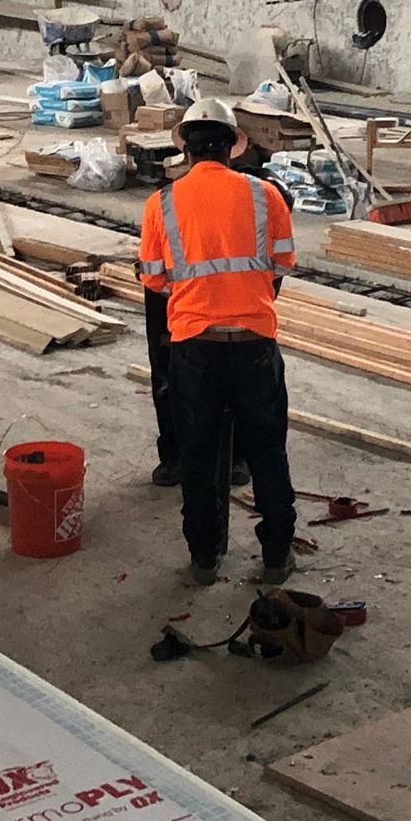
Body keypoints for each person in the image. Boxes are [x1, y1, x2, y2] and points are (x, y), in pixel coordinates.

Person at [138, 98, 300, 585]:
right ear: (233, 147)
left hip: (195, 351)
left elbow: (153, 279)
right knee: (268, 455)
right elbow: (282, 264)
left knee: (199, 457)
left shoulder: (161, 203)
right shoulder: (266, 196)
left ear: (185, 150)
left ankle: (204, 559)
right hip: (254, 346)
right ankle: (276, 557)